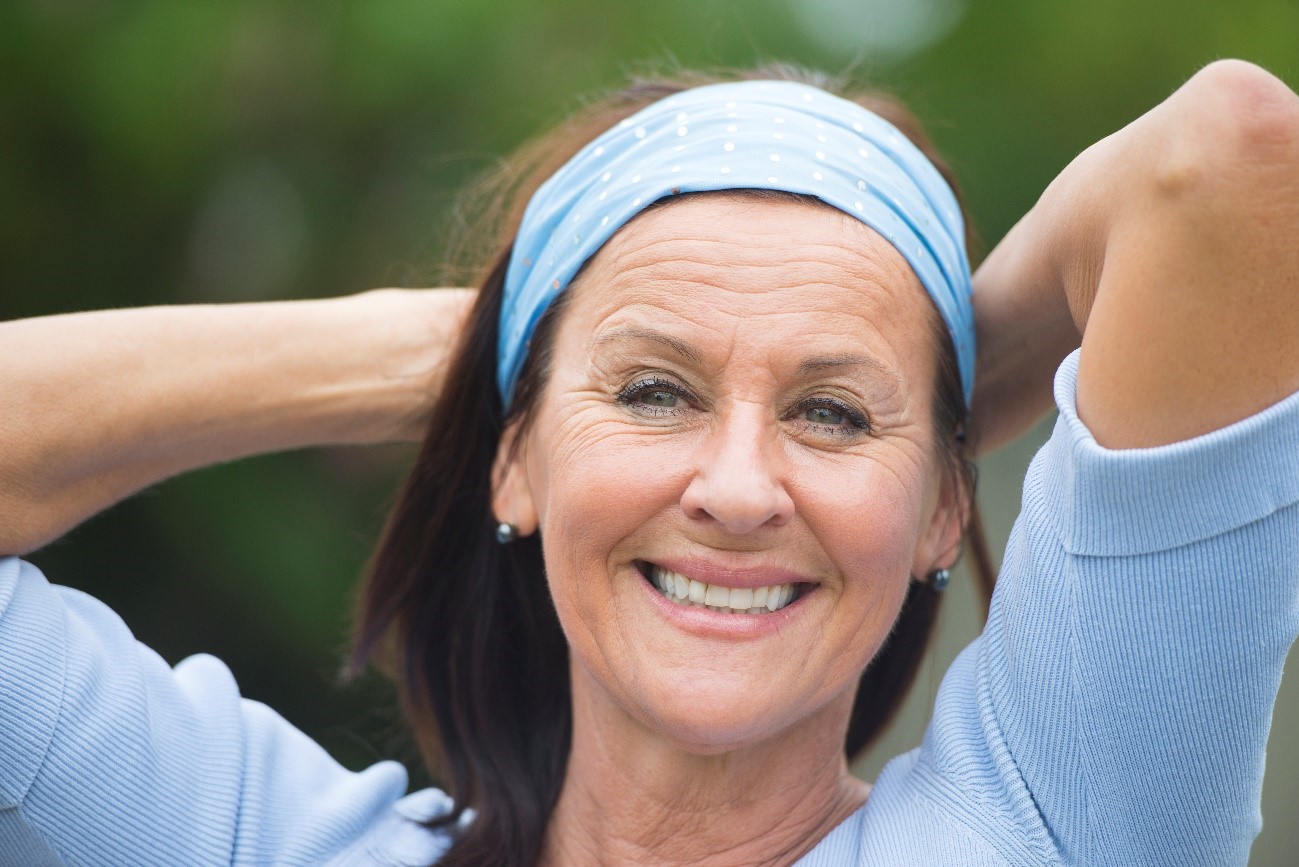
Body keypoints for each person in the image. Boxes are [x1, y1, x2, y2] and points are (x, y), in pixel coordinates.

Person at [0, 59, 1296, 866]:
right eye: (655, 392)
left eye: (829, 416)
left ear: (948, 512)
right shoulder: (269, 847)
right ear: (516, 467)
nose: (737, 489)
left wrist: (941, 385)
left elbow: (1233, 162)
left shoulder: (1052, 833)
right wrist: (456, 367)